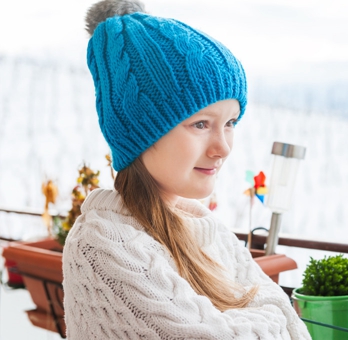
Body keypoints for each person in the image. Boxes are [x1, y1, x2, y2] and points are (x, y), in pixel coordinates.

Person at [62, 0, 311, 339]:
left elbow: (293, 324)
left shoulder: (204, 227)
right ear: (139, 130)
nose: (222, 147)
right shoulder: (102, 241)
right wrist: (269, 317)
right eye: (200, 124)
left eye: (230, 123)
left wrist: (268, 317)